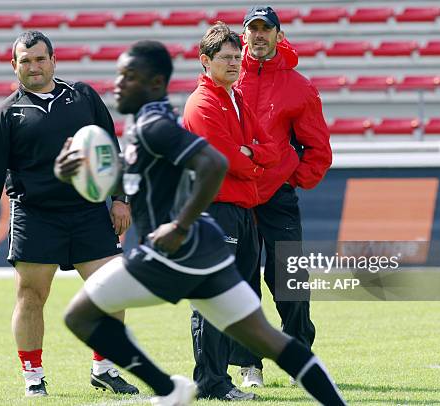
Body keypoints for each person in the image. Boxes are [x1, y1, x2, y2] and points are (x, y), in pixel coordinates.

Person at [55, 40, 346, 406]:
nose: (118, 84)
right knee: (272, 341)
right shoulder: (148, 123)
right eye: (118, 75)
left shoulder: (155, 124)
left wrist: (178, 226)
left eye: (129, 77)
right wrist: (76, 173)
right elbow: (131, 181)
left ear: (156, 82)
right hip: (207, 251)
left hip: (173, 253)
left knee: (80, 316)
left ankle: (168, 388)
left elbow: (214, 164)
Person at [0, 30, 138, 397]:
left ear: (53, 60)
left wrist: (121, 199)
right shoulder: (5, 115)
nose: (34, 66)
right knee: (31, 296)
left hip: (88, 210)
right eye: (25, 60)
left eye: (40, 59)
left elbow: (110, 149)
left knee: (114, 288)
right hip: (35, 215)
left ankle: (104, 369)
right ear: (14, 66)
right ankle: (33, 377)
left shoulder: (83, 96)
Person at [232, 6, 333, 387]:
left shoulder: (299, 86)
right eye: (252, 29)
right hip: (237, 194)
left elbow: (318, 149)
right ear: (244, 34)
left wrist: (290, 180)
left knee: (289, 280)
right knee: (242, 281)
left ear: (278, 34)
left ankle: (300, 357)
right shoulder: (228, 74)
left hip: (277, 196)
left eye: (265, 29)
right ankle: (249, 364)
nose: (258, 35)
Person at [182, 22, 279, 400]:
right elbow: (223, 158)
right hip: (214, 211)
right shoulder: (202, 103)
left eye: (237, 56)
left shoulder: (235, 97)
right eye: (225, 57)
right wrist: (252, 156)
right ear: (205, 61)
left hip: (240, 209)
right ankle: (211, 382)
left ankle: (218, 381)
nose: (235, 63)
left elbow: (268, 146)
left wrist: (250, 152)